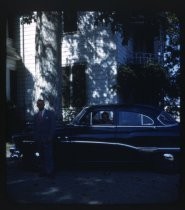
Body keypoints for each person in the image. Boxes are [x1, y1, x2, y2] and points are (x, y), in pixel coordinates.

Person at [33, 99, 56, 178]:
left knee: (48, 156)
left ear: (44, 105)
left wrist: (50, 137)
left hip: (47, 139)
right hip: (39, 140)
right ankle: (42, 171)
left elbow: (52, 127)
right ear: (37, 105)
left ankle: (49, 172)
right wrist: (36, 138)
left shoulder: (50, 114)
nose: (40, 106)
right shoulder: (36, 115)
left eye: (41, 104)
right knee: (41, 156)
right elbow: (35, 128)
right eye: (38, 104)